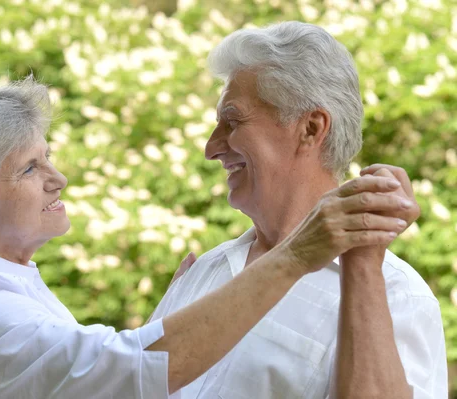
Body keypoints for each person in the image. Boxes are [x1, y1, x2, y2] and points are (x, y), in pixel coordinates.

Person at [0, 77, 416, 399]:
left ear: (311, 129)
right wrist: (299, 253)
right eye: (30, 167)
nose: (57, 179)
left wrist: (166, 322)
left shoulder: (398, 295)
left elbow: (91, 377)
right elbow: (124, 369)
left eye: (48, 156)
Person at [150, 21, 447, 398]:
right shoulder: (204, 270)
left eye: (233, 121)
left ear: (311, 127)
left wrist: (361, 265)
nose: (211, 148)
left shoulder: (396, 294)